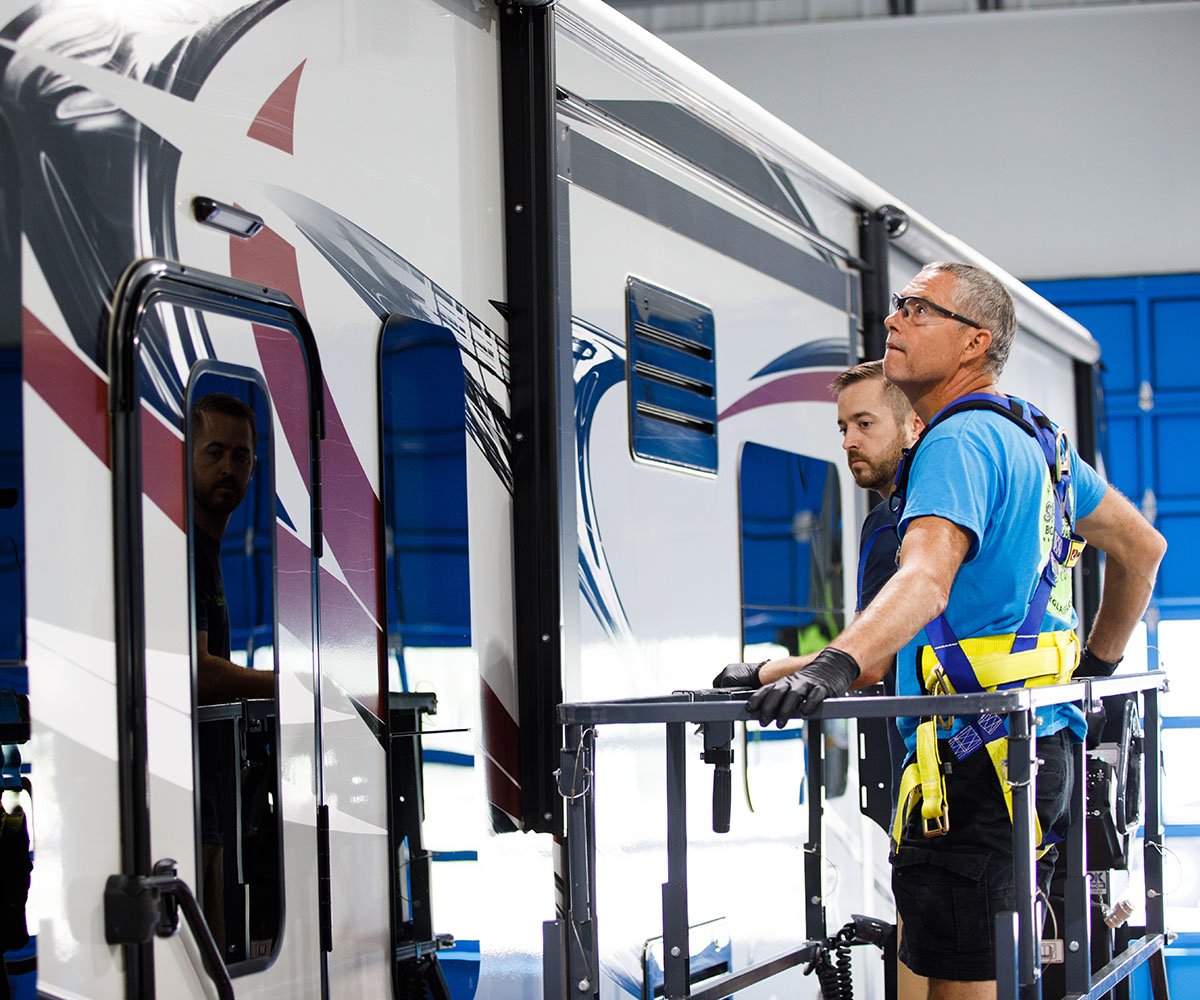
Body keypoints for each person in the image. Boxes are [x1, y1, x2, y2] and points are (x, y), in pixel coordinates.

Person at [731, 262, 1166, 999]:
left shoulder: (956, 445)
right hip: (1031, 750)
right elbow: (1142, 549)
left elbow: (926, 580)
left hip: (971, 768)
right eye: (899, 305)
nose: (894, 319)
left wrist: (834, 664)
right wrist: (1091, 672)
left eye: (919, 309)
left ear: (974, 343)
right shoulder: (1040, 440)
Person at [192, 391, 273, 956]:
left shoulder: (209, 551)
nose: (229, 467)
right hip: (191, 781)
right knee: (207, 923)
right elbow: (197, 674)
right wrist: (290, 688)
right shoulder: (186, 549)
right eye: (214, 452)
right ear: (186, 457)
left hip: (214, 778)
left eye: (240, 457)